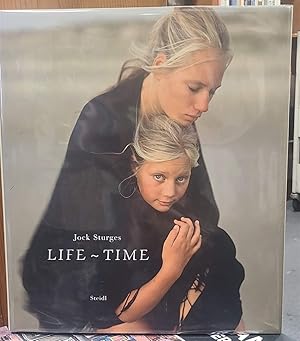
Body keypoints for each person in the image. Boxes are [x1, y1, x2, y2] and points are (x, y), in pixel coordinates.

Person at [21, 6, 237, 333]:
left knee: (224, 311)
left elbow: (203, 208)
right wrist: (168, 274)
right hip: (85, 278)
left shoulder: (178, 116)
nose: (205, 105)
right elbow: (90, 242)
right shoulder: (102, 121)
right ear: (162, 65)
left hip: (152, 265)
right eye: (195, 88)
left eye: (213, 91)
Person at [95, 113, 244, 334]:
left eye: (181, 178)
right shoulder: (110, 222)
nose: (170, 192)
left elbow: (232, 323)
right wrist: (172, 268)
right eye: (159, 177)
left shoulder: (207, 235)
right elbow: (121, 315)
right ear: (136, 165)